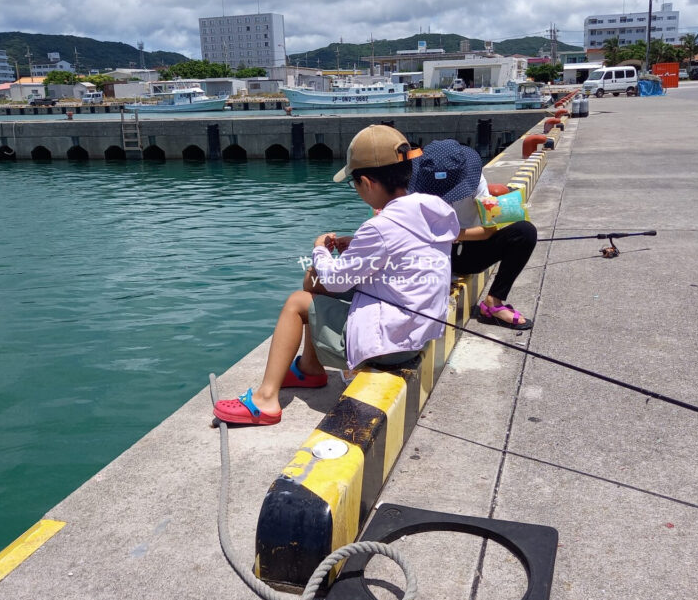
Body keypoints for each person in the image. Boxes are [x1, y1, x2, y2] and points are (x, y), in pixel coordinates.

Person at [212, 125, 460, 426]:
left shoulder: (380, 226)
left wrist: (320, 250)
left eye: (354, 185)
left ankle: (265, 401)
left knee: (297, 301)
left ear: (367, 182)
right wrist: (355, 244)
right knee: (311, 281)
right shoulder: (431, 210)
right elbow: (401, 253)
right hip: (418, 331)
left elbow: (334, 280)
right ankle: (310, 368)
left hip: (390, 345)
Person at [409, 139, 537, 329]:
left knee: (525, 231)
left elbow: (489, 229)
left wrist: (454, 235)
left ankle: (494, 302)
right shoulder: (411, 186)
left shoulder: (475, 179)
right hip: (430, 255)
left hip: (468, 251)